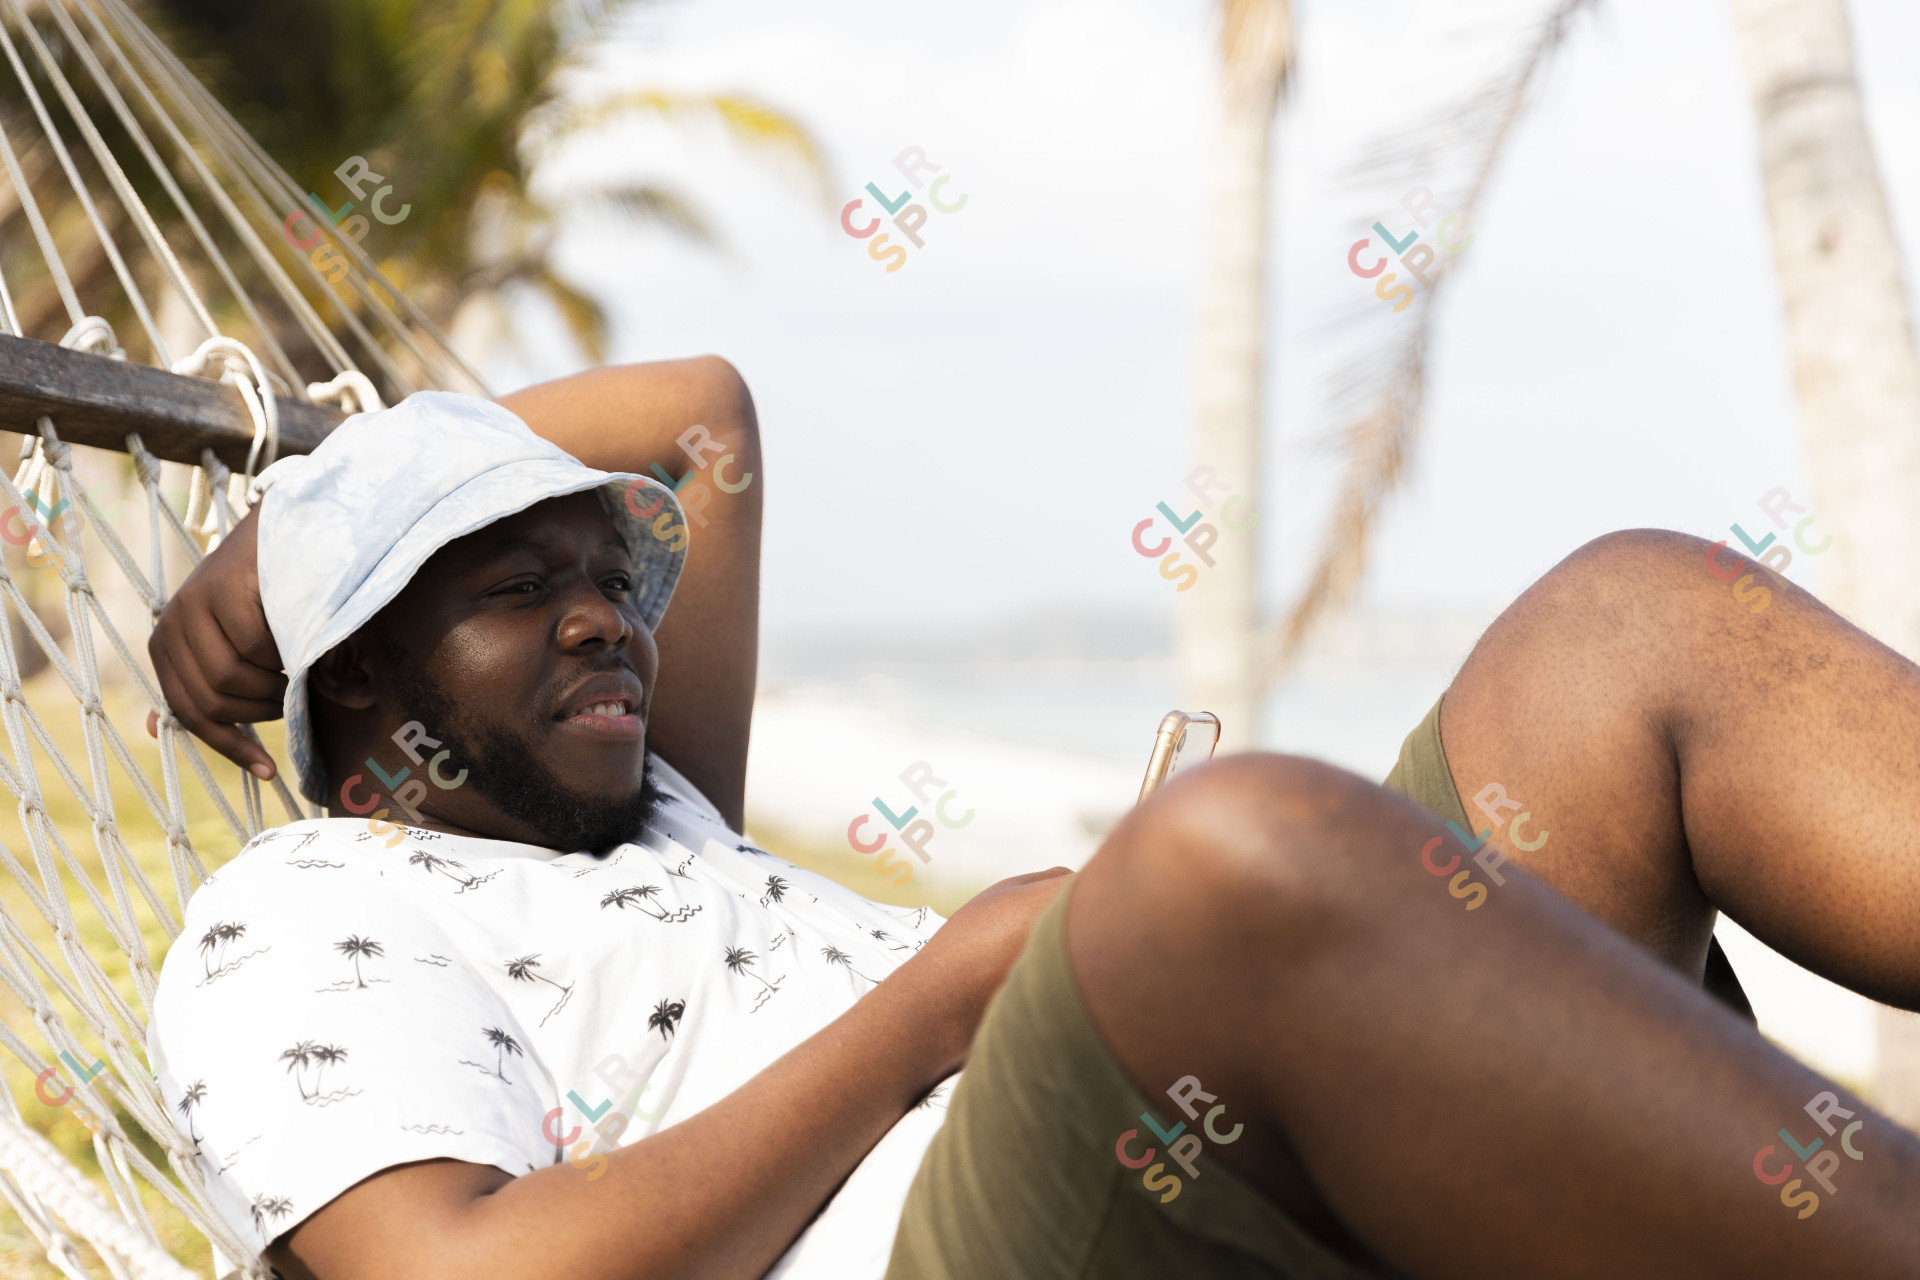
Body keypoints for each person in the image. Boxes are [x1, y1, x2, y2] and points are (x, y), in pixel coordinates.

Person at [146, 360, 1920, 1280]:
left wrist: (294, 524)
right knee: (1234, 865)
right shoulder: (300, 917)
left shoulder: (666, 811)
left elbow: (701, 416)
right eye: (519, 590)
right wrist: (944, 1001)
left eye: (607, 581)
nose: (606, 617)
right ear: (366, 685)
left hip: (1192, 1163)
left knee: (1629, 627)